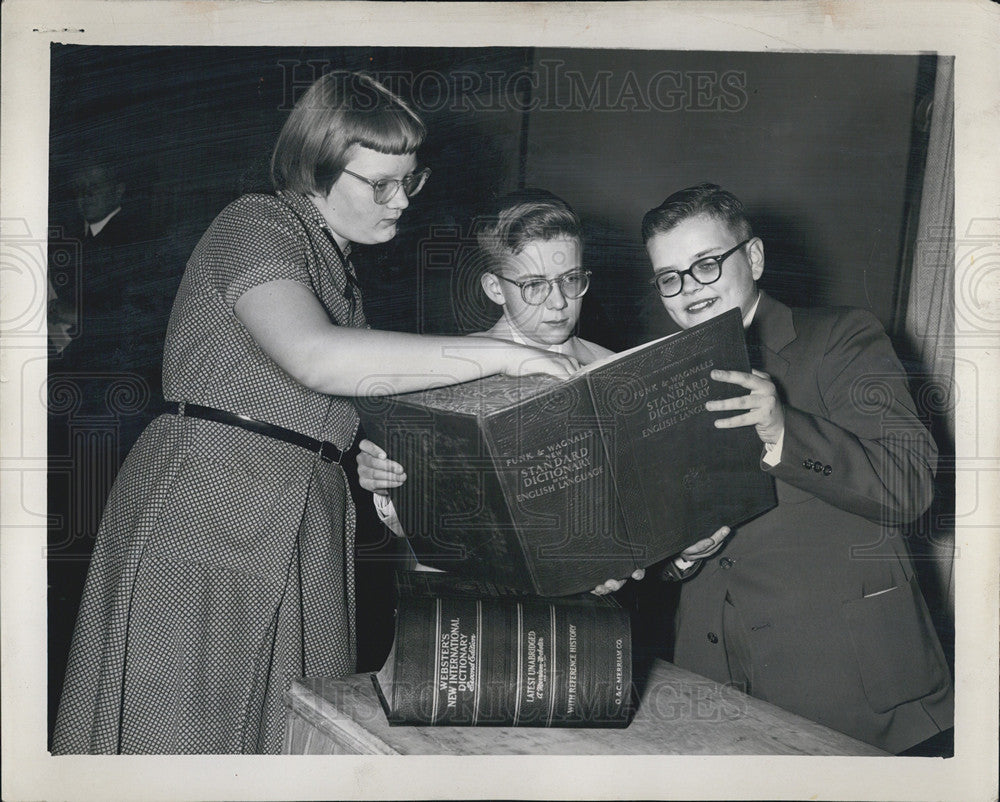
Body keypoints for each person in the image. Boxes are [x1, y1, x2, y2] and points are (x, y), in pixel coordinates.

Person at [51, 72, 576, 756]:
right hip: (213, 504)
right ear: (315, 169)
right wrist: (502, 354)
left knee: (283, 745)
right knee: (178, 744)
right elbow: (313, 356)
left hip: (303, 515)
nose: (401, 202)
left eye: (410, 182)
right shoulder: (258, 223)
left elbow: (328, 402)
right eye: (380, 184)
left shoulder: (342, 273)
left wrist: (368, 452)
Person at [641, 183, 953, 753]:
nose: (688, 290)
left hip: (854, 695)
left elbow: (911, 489)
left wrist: (783, 429)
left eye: (706, 265)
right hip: (715, 694)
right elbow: (664, 551)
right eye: (670, 277)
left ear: (753, 258)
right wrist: (683, 554)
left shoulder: (843, 336)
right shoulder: (659, 381)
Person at [356, 189, 728, 592]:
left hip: (585, 621)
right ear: (495, 288)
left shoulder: (614, 369)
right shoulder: (447, 372)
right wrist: (389, 489)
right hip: (467, 608)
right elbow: (413, 530)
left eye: (570, 280)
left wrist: (680, 551)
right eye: (534, 285)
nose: (558, 302)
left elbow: (645, 510)